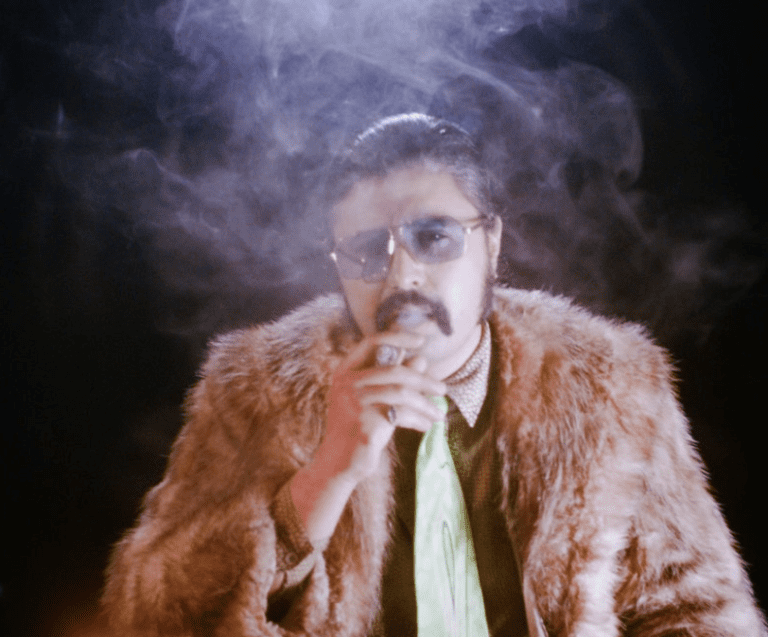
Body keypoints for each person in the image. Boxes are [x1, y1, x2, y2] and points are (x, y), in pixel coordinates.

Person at [101, 113, 765, 636]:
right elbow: (151, 616)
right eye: (368, 249)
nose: (402, 275)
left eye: (435, 236)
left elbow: (701, 611)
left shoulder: (610, 386)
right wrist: (326, 474)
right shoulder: (254, 390)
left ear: (492, 243)